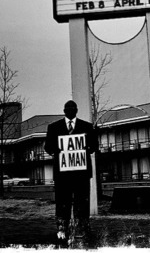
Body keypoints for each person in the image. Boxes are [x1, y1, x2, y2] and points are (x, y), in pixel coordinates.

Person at [44, 100, 98, 244]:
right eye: (67, 108)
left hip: (81, 174)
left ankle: (83, 229)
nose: (70, 110)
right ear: (64, 110)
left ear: (77, 110)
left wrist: (85, 146)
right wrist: (58, 149)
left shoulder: (87, 127)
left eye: (73, 107)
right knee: (62, 203)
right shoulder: (53, 127)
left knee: (82, 203)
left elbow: (94, 147)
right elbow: (48, 148)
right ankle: (62, 230)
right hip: (63, 175)